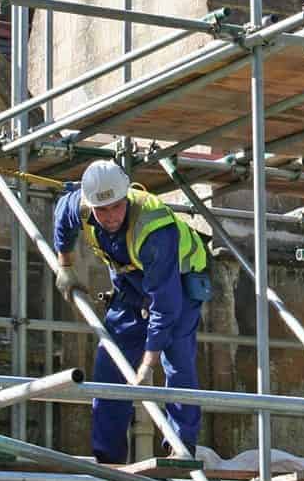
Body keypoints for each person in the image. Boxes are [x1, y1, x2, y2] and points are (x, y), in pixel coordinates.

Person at [52, 160, 212, 464]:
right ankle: (108, 457)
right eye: (103, 210)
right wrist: (65, 265)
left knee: (176, 360)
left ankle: (180, 449)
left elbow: (166, 307)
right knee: (110, 366)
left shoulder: (154, 229)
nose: (110, 216)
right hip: (130, 287)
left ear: (126, 197)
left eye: (116, 207)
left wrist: (148, 362)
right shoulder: (82, 206)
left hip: (177, 282)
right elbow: (62, 213)